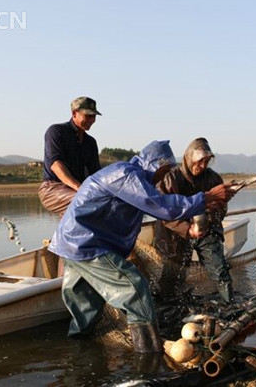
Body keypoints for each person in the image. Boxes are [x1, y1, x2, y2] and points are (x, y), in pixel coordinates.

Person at [48, 140, 235, 353]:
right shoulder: (126, 175)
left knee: (86, 304)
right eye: (162, 170)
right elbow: (160, 206)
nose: (162, 175)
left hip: (72, 242)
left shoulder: (136, 180)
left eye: (167, 171)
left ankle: (78, 353)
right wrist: (206, 197)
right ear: (151, 163)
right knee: (136, 289)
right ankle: (148, 356)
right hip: (87, 244)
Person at [153, 137, 235, 303]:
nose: (203, 166)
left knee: (220, 270)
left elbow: (222, 208)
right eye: (200, 161)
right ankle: (166, 306)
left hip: (206, 230)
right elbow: (163, 213)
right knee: (173, 276)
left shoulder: (213, 179)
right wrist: (187, 228)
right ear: (189, 158)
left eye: (207, 161)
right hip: (175, 234)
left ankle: (230, 303)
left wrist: (215, 211)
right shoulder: (170, 178)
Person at [39, 96, 102, 216]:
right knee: (85, 200)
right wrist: (79, 188)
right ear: (74, 113)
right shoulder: (56, 131)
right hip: (52, 188)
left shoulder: (90, 142)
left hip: (78, 190)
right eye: (88, 115)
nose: (91, 120)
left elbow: (96, 173)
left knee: (107, 202)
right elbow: (56, 165)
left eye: (94, 116)